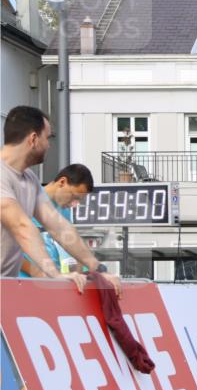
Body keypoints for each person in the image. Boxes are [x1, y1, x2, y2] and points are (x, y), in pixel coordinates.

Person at [1, 106, 119, 295]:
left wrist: (99, 269)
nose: (49, 145)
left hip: (6, 290)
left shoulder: (30, 180)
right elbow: (21, 227)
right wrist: (54, 275)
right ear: (33, 139)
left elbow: (58, 226)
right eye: (47, 138)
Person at [19, 164, 94, 277]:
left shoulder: (65, 212)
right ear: (62, 182)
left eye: (79, 201)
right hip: (21, 281)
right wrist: (39, 275)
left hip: (52, 280)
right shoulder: (24, 199)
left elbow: (71, 249)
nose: (74, 204)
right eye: (74, 196)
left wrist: (77, 274)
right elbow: (6, 250)